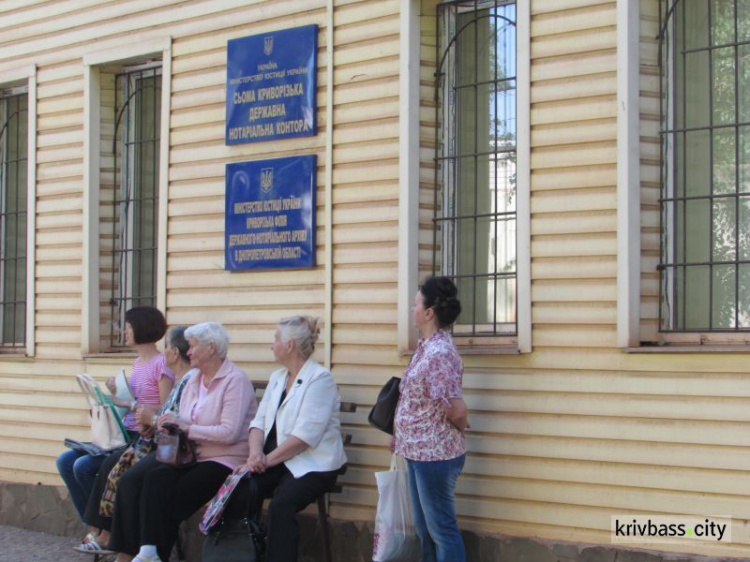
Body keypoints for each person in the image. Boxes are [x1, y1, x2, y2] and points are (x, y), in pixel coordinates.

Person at [108, 321, 257, 562]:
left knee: (168, 500)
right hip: (192, 455)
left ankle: (152, 555)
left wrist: (186, 427)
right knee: (154, 479)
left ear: (211, 348)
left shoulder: (234, 381)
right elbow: (182, 420)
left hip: (224, 460)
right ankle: (148, 551)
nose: (188, 352)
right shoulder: (193, 379)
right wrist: (165, 424)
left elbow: (228, 433)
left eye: (193, 346)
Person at [75, 325, 197, 554]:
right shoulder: (181, 377)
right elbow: (169, 414)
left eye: (168, 346)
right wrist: (151, 423)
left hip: (172, 449)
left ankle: (119, 545)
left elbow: (178, 417)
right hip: (155, 438)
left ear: (175, 353)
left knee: (125, 475)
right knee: (109, 464)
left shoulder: (187, 379)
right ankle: (102, 533)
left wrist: (150, 420)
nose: (165, 351)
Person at [57, 307, 173, 540]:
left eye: (128, 327)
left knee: (84, 467)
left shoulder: (162, 365)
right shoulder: (137, 363)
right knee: (66, 461)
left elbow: (164, 411)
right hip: (122, 432)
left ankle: (108, 530)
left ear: (141, 328)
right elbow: (133, 400)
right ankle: (94, 528)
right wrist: (114, 394)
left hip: (141, 438)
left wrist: (127, 404)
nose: (124, 332)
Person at [239, 315, 346, 562]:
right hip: (278, 460)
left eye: (275, 339)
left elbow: (304, 438)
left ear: (290, 346)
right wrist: (255, 453)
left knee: (281, 505)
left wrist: (265, 460)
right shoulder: (278, 377)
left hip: (314, 466)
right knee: (242, 490)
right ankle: (246, 553)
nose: (271, 344)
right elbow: (258, 422)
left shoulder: (320, 379)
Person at [393, 276, 468, 562]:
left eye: (415, 304)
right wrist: (399, 435)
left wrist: (458, 429)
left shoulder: (439, 353)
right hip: (417, 453)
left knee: (442, 531)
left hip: (435, 456)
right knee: (426, 530)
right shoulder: (426, 346)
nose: (412, 309)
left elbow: (456, 410)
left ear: (429, 313)